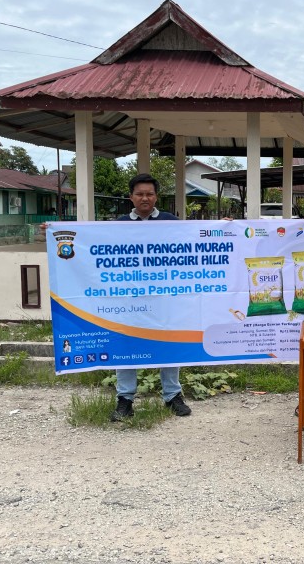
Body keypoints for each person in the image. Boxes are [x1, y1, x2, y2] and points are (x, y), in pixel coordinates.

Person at [110, 173, 191, 421]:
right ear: (131, 197)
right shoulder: (117, 225)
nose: (145, 198)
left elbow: (194, 240)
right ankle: (125, 400)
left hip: (164, 298)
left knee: (169, 343)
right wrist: (54, 231)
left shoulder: (171, 221)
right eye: (140, 194)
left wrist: (224, 227)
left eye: (150, 194)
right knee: (126, 345)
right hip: (129, 298)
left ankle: (172, 395)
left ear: (156, 197)